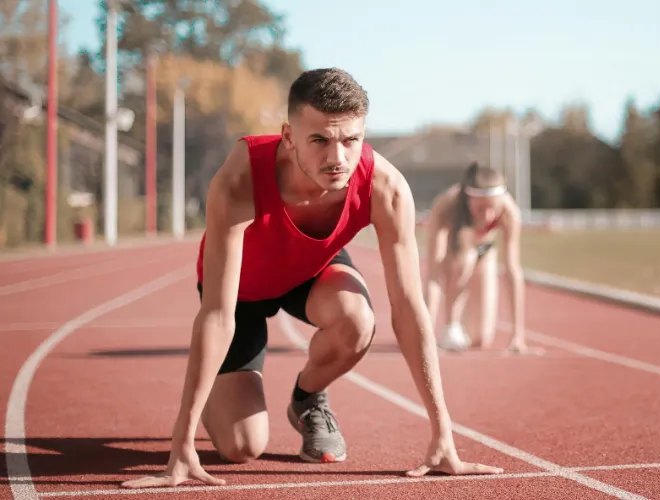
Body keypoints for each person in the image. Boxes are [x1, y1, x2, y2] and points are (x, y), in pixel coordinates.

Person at [120, 68, 503, 489]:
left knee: (358, 320)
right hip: (241, 292)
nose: (337, 157)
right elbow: (216, 313)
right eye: (319, 140)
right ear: (289, 136)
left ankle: (307, 398)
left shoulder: (385, 188)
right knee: (242, 447)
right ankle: (215, 391)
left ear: (363, 134)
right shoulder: (240, 178)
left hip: (310, 272)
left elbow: (410, 308)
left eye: (350, 140)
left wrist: (442, 434)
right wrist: (182, 444)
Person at [423, 163, 541, 355]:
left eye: (492, 208)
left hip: (485, 251)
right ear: (468, 200)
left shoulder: (509, 211)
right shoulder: (446, 206)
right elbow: (433, 274)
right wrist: (424, 333)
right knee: (465, 261)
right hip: (455, 254)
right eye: (480, 209)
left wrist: (517, 335)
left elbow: (512, 270)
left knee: (480, 339)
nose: (487, 216)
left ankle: (465, 329)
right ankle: (451, 326)